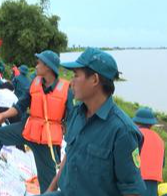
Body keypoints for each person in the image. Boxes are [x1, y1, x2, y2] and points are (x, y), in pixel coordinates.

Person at [43, 48, 146, 196]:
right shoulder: (77, 114)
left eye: (76, 76)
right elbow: (69, 155)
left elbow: (132, 191)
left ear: (95, 80)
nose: (71, 83)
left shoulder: (122, 131)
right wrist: (50, 190)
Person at [0, 50, 73, 193]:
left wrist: (68, 135)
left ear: (48, 67)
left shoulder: (66, 89)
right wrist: (2, 116)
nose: (36, 65)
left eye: (39, 63)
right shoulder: (35, 83)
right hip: (28, 129)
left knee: (48, 183)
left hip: (47, 141)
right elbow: (20, 105)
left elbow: (72, 117)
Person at [133, 107, 164, 196]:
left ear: (136, 122)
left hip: (136, 182)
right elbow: (162, 164)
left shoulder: (135, 134)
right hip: (153, 186)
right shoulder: (160, 140)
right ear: (151, 124)